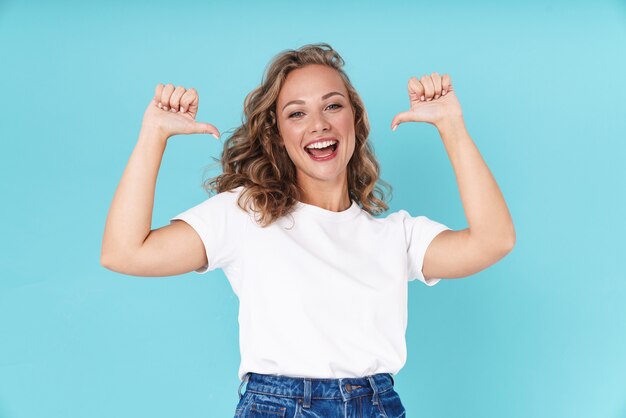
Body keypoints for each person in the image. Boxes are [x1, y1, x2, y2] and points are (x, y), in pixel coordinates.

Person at [101, 43, 515, 418]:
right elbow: (124, 252)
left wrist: (451, 125)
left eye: (332, 106)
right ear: (278, 136)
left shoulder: (396, 236)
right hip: (278, 407)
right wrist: (153, 134)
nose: (318, 124)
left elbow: (493, 240)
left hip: (378, 405)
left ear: (355, 117)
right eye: (296, 113)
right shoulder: (246, 215)